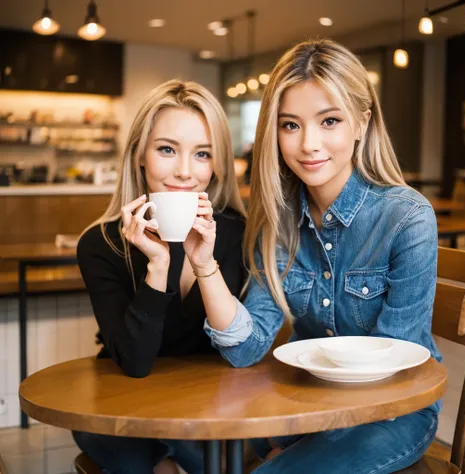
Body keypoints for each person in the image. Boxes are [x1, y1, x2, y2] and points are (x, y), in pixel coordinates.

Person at [201, 39, 442, 473]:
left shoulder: (406, 218)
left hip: (390, 413)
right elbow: (246, 349)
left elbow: (395, 363)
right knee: (204, 444)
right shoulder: (277, 219)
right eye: (290, 125)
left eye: (329, 120)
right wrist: (204, 266)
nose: (309, 144)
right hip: (305, 400)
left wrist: (301, 445)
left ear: (361, 123)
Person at [73, 80, 246, 474]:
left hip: (207, 405)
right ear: (140, 155)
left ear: (217, 164)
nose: (184, 172)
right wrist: (159, 264)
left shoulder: (239, 234)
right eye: (167, 149)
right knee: (138, 464)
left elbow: (241, 350)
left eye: (202, 154)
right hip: (123, 398)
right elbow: (134, 363)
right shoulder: (100, 244)